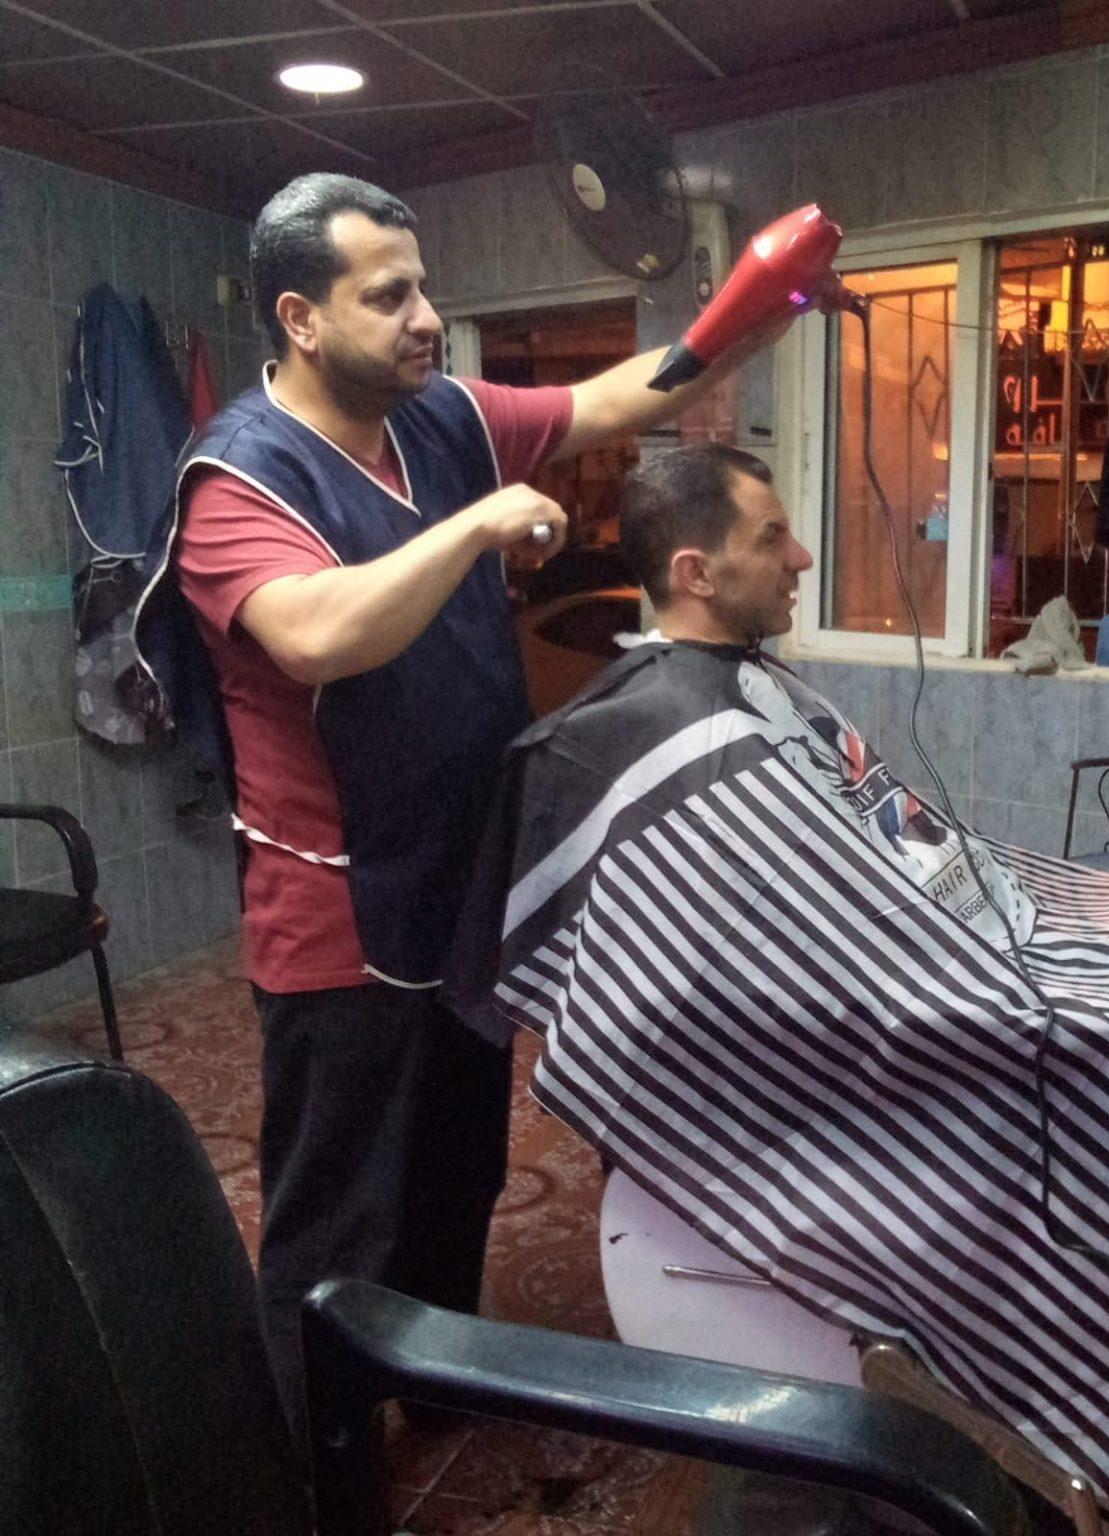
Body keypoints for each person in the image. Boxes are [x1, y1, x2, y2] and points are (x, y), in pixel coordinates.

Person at [447, 443, 1109, 1536]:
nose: (804, 558)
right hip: (953, 1049)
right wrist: (1015, 987)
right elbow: (799, 961)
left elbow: (900, 867)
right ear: (695, 570)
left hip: (992, 968)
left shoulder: (750, 689)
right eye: (773, 538)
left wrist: (1050, 926)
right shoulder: (665, 734)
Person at [170, 174, 788, 1434]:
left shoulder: (441, 415)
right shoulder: (237, 478)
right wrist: (473, 530)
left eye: (424, 288)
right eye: (388, 295)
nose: (425, 318)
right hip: (339, 921)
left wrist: (757, 304)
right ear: (299, 317)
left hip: (463, 883)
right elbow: (316, 635)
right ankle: (315, 1461)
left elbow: (626, 394)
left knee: (459, 1176)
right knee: (337, 1215)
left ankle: (436, 1390)